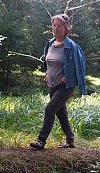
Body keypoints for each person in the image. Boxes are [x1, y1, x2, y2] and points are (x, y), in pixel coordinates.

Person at [29, 13, 87, 150]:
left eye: (59, 26)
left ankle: (41, 141)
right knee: (61, 114)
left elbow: (80, 64)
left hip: (65, 86)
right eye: (54, 25)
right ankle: (70, 140)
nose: (56, 28)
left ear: (66, 28)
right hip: (52, 84)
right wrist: (47, 73)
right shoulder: (50, 43)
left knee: (49, 110)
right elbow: (48, 61)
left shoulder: (71, 46)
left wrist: (69, 76)